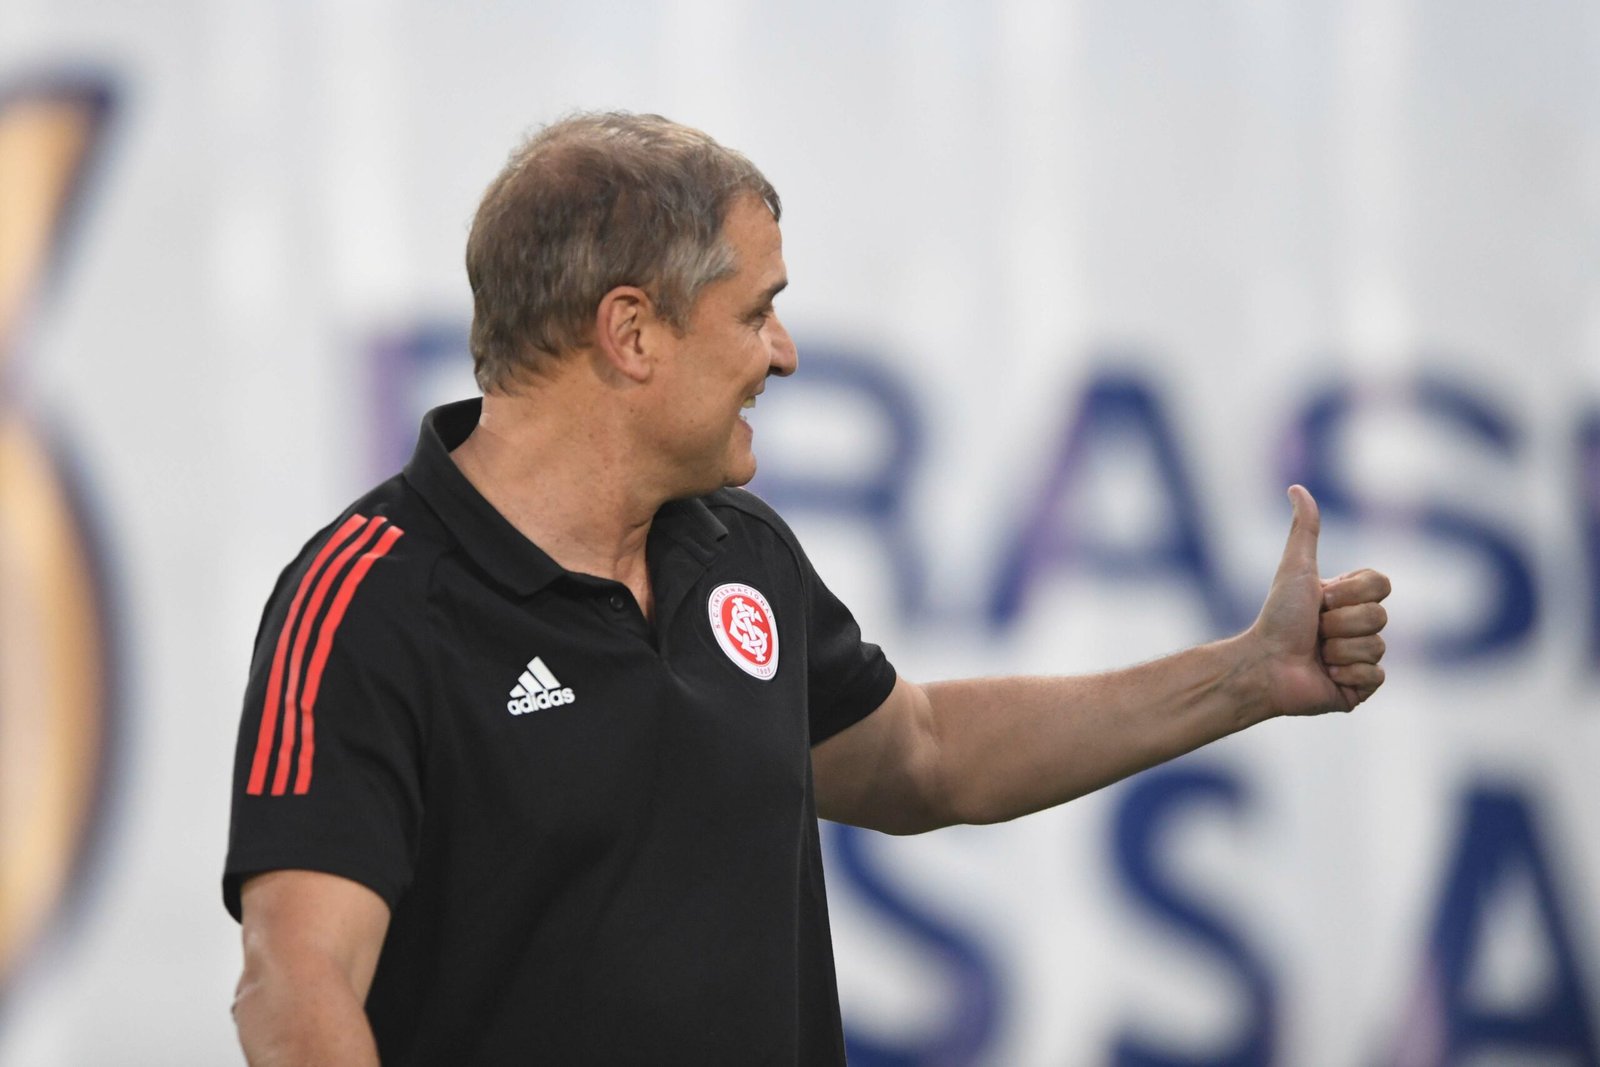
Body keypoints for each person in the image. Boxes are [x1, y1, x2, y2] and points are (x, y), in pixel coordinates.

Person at [224, 112, 1390, 1066]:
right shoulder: (364, 602)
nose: (781, 352)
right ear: (632, 332)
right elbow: (295, 983)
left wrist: (1246, 675)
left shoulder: (739, 550)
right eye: (754, 310)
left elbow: (925, 754)